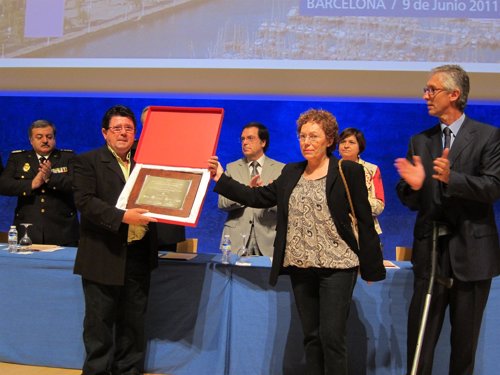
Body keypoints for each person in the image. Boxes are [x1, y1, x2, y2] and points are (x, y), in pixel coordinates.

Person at [208, 108, 385, 375]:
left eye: (314, 136)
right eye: (302, 136)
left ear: (329, 139)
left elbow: (363, 217)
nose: (307, 142)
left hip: (338, 266)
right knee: (312, 337)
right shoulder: (291, 172)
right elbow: (256, 197)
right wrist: (221, 177)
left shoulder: (347, 170)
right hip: (301, 266)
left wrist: (371, 266)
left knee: (332, 338)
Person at [395, 65, 500, 375]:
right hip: (430, 256)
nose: (425, 95)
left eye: (432, 89)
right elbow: (410, 198)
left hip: (472, 254)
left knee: (464, 349)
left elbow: (493, 187)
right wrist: (414, 187)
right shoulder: (420, 140)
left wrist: (452, 179)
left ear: (454, 95)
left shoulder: (488, 136)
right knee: (420, 346)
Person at [72, 105, 158, 375]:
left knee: (133, 325)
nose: (123, 133)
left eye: (129, 128)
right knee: (99, 325)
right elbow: (84, 202)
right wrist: (122, 217)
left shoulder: (147, 161)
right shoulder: (87, 161)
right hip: (102, 255)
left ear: (136, 133)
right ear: (105, 133)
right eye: (117, 128)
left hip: (138, 255)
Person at [0, 119, 79, 246]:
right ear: (31, 140)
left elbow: (78, 184)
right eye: (39, 137)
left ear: (54, 139)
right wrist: (31, 184)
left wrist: (50, 178)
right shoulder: (18, 158)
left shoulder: (68, 157)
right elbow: (3, 185)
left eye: (49, 137)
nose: (45, 140)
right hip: (27, 229)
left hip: (62, 230)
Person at [218, 122, 284, 257]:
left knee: (266, 278)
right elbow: (222, 203)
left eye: (250, 138)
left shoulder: (280, 169)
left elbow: (285, 207)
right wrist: (247, 192)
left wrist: (267, 196)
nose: (245, 142)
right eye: (242, 139)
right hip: (236, 239)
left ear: (263, 142)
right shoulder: (232, 168)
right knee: (233, 277)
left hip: (269, 238)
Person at [140, 106, 185, 251]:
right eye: (148, 122)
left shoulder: (181, 150)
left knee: (167, 271)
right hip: (137, 223)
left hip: (167, 227)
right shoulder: (131, 150)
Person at [338, 128, 385, 234]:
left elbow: (379, 205)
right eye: (343, 142)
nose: (346, 146)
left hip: (365, 230)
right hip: (337, 230)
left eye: (351, 142)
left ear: (360, 147)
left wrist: (355, 203)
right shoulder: (329, 169)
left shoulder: (372, 169)